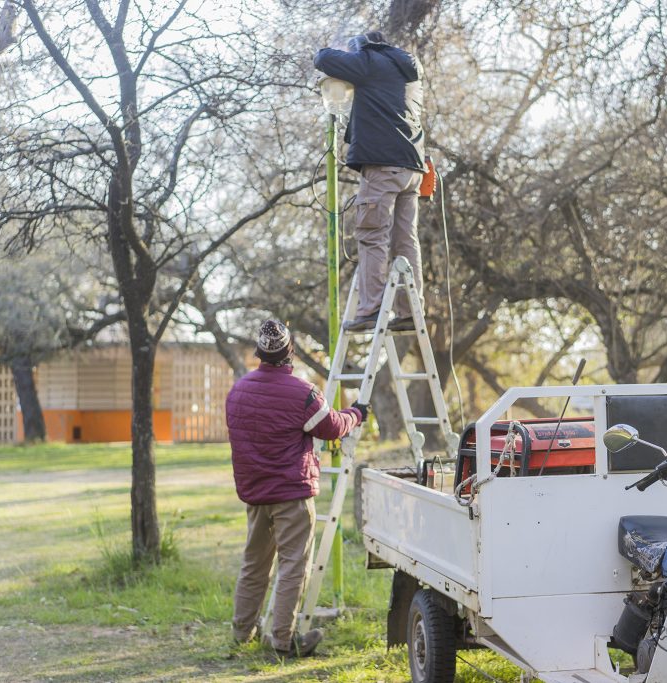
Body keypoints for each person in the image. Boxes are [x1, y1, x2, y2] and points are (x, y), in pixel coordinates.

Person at [226, 319, 368, 657]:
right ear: (290, 353)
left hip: (255, 494)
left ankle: (241, 633)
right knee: (293, 566)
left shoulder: (238, 392)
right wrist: (357, 414)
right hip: (291, 493)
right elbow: (332, 428)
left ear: (259, 354)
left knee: (254, 564)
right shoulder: (302, 392)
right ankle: (283, 640)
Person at [314, 31, 426, 332]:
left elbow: (323, 58)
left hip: (382, 164)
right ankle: (410, 313)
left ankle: (371, 310)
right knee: (406, 241)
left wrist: (347, 51)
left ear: (364, 48)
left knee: (372, 234)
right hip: (411, 168)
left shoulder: (369, 61)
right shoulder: (408, 70)